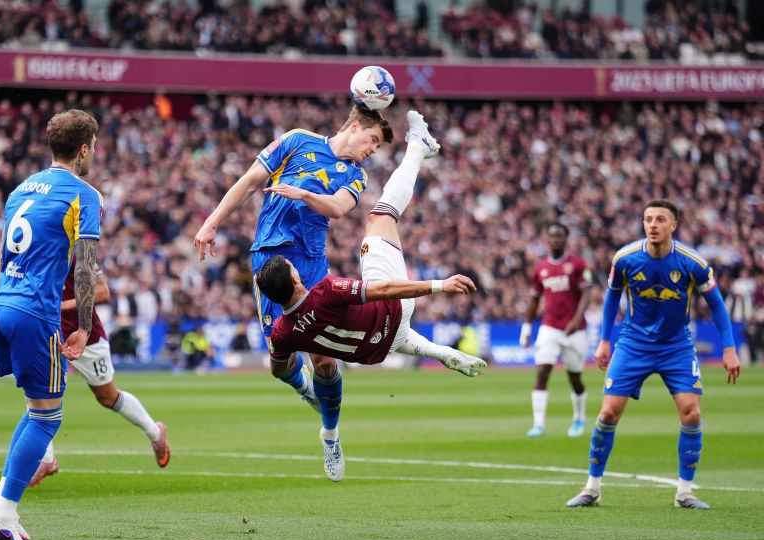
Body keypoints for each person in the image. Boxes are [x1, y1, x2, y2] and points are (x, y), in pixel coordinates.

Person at [255, 111, 487, 482]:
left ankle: (435, 352)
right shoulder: (325, 290)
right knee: (382, 215)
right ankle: (418, 147)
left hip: (377, 350)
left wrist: (299, 384)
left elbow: (277, 366)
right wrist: (440, 285)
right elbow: (385, 290)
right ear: (297, 277)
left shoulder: (283, 332)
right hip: (393, 313)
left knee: (338, 355)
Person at [194, 106, 394, 421]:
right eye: (372, 140)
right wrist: (212, 221)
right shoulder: (297, 140)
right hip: (269, 256)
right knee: (279, 359)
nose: (372, 150)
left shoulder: (356, 174)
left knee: (324, 360)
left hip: (312, 262)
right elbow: (250, 181)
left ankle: (331, 435)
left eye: (377, 147)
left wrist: (302, 194)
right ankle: (302, 388)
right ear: (354, 127)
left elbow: (339, 207)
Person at [0, 109, 102, 540]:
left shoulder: (20, 190)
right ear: (84, 148)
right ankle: (4, 512)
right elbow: (86, 267)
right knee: (49, 417)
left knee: (36, 409)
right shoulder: (85, 194)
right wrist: (85, 326)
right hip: (33, 312)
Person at [566, 201, 741, 510]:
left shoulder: (692, 262)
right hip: (633, 344)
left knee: (692, 412)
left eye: (660, 219)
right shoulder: (625, 258)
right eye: (648, 219)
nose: (653, 224)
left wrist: (728, 348)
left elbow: (716, 304)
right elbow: (611, 298)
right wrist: (605, 340)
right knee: (607, 413)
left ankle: (685, 492)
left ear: (673, 225)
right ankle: (592, 488)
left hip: (676, 346)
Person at [26, 263, 171, 488]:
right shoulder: (35, 247)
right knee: (37, 390)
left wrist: (60, 306)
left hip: (85, 336)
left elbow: (103, 292)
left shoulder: (78, 251)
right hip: (48, 333)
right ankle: (46, 459)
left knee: (108, 397)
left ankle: (155, 432)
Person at [520, 223, 592, 438]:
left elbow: (586, 295)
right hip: (549, 327)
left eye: (559, 236)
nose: (555, 240)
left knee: (574, 377)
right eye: (551, 236)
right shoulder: (540, 266)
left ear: (566, 238)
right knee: (542, 372)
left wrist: (576, 320)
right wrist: (526, 327)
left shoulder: (578, 264)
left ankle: (579, 418)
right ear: (547, 239)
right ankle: (539, 424)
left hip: (575, 330)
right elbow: (534, 299)